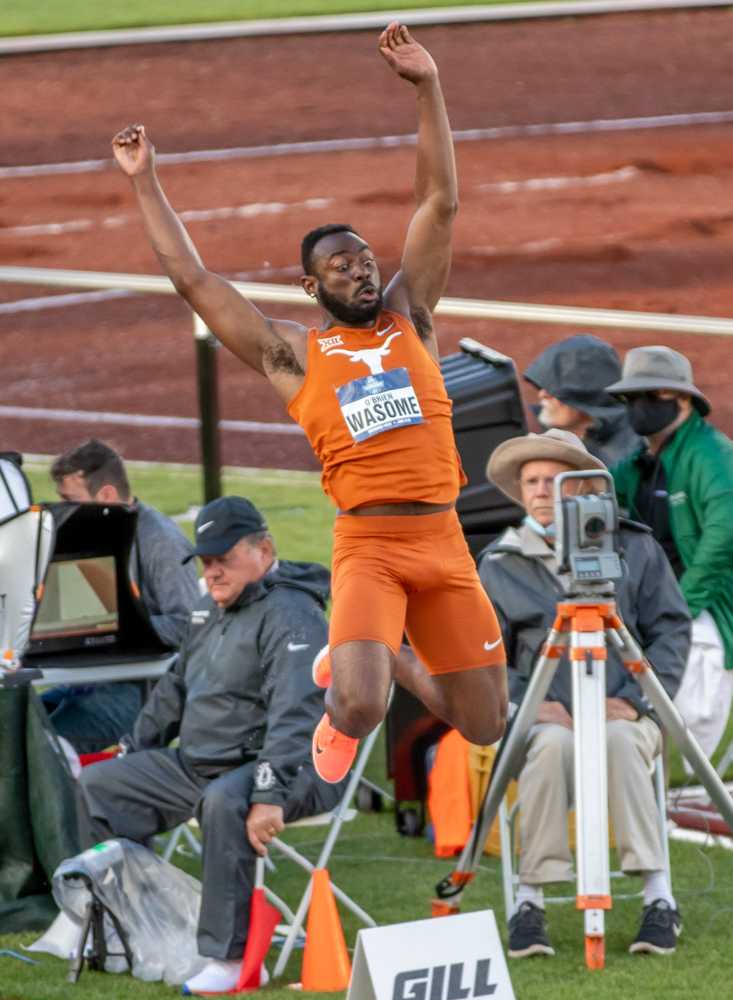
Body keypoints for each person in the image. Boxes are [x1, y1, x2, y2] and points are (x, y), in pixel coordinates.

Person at [110, 22, 507, 786]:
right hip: (370, 547)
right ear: (309, 286)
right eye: (340, 265)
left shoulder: (411, 317)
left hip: (444, 540)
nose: (360, 272)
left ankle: (388, 649)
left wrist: (428, 88)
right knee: (356, 709)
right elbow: (193, 279)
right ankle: (363, 660)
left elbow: (439, 203)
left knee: (484, 720)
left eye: (364, 260)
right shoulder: (292, 355)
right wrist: (144, 180)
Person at [78, 495, 342, 994]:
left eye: (224, 559)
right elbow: (174, 690)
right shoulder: (207, 609)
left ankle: (234, 957)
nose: (213, 572)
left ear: (264, 550)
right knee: (101, 785)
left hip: (289, 770)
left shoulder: (292, 614)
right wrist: (132, 750)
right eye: (206, 561)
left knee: (224, 801)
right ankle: (126, 924)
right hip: (203, 765)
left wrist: (268, 793)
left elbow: (297, 716)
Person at [480, 429, 691, 956]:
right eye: (531, 481)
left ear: (583, 488)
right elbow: (482, 661)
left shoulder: (634, 546)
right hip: (547, 718)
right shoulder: (499, 563)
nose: (542, 491)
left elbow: (671, 630)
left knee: (620, 741)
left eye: (555, 479)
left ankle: (658, 898)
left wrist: (641, 698)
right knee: (550, 748)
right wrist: (530, 704)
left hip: (624, 711)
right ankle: (529, 900)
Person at [607, 347, 733, 762]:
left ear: (681, 398)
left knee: (688, 713)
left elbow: (724, 533)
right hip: (657, 599)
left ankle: (681, 782)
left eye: (650, 395)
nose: (637, 407)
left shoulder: (711, 455)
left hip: (705, 607)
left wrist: (678, 606)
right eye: (630, 398)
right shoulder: (639, 463)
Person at [42, 439, 200, 753]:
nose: (63, 511)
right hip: (91, 680)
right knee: (16, 723)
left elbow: (188, 624)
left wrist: (119, 628)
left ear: (107, 496)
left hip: (143, 691)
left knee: (42, 746)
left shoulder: (162, 542)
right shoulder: (91, 531)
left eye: (69, 500)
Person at [523, 334, 641, 467]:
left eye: (554, 389)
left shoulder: (631, 452)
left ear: (586, 396)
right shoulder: (535, 423)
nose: (542, 394)